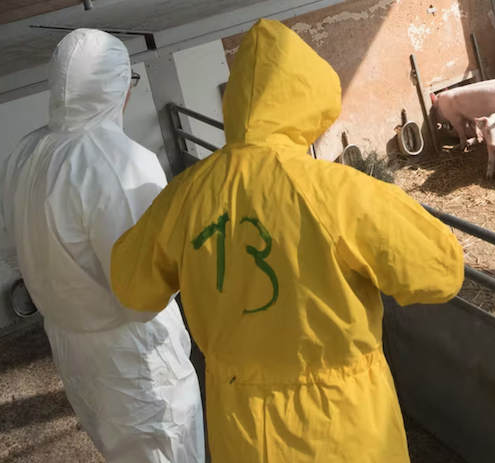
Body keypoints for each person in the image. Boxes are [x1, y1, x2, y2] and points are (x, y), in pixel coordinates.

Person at [111, 19, 465, 463]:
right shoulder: (340, 192)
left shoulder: (185, 195)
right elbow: (441, 274)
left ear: (236, 102)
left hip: (240, 426)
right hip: (344, 427)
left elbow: (131, 287)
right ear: (308, 99)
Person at [0, 29, 204, 462]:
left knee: (116, 449)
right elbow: (145, 285)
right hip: (132, 354)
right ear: (114, 86)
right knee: (168, 448)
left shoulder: (25, 152)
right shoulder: (121, 161)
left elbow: (12, 252)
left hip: (70, 344)